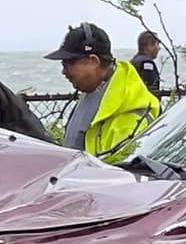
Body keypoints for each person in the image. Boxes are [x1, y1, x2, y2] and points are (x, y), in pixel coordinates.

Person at [47, 22, 161, 162]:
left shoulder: (129, 120)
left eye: (68, 63)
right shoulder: (94, 91)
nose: (64, 71)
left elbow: (120, 178)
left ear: (93, 61)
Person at [132, 30, 164, 98]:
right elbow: (150, 87)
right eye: (157, 44)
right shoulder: (146, 63)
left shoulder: (134, 60)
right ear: (149, 46)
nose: (159, 48)